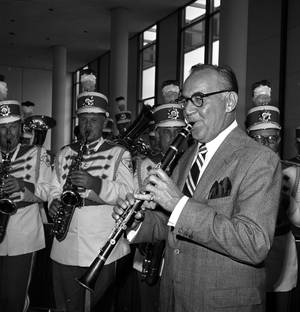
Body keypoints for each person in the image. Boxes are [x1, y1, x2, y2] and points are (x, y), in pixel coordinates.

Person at [114, 64, 282, 312]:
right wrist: (136, 221)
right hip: (173, 298)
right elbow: (169, 224)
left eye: (199, 99)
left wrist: (178, 204)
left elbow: (254, 242)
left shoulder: (259, 159)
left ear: (229, 101)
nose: (188, 110)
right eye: (185, 100)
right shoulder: (186, 156)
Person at [48, 88, 135, 312]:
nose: (87, 126)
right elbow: (52, 187)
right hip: (64, 244)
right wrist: (53, 203)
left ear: (104, 121)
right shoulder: (65, 153)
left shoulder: (119, 153)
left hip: (100, 244)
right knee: (65, 305)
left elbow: (128, 193)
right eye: (84, 120)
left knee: (97, 307)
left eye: (94, 120)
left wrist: (95, 184)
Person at [247, 99, 300, 312]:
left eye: (271, 138)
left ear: (279, 140)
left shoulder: (291, 171)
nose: (266, 145)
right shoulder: (236, 171)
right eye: (258, 138)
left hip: (281, 255)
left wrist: (287, 202)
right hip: (247, 259)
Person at [133, 102, 187, 312]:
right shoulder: (144, 165)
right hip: (149, 252)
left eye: (178, 131)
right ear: (157, 134)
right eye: (167, 132)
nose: (173, 137)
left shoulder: (195, 164)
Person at [0, 99, 52, 312]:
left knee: (14, 299)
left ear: (21, 128)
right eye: (3, 128)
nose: (8, 133)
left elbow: (47, 191)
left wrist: (21, 185)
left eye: (13, 127)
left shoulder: (37, 154)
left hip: (21, 237)